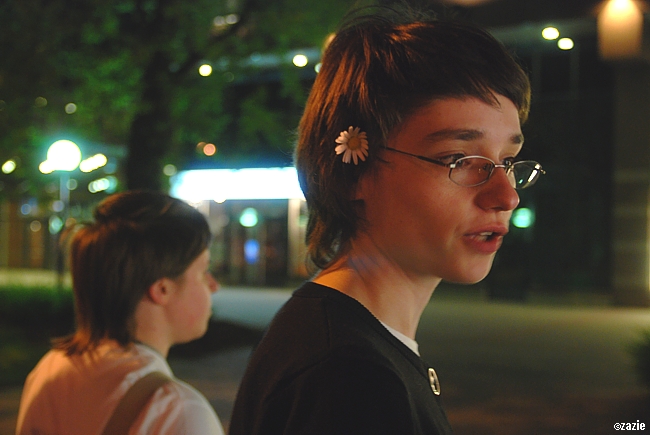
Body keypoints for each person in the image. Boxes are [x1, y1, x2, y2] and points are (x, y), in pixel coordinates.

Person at [229, 7, 544, 435]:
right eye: (458, 159)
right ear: (354, 172)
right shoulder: (349, 379)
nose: (506, 196)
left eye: (507, 160)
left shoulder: (342, 340)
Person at [16, 190, 225, 435]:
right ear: (162, 289)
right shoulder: (178, 412)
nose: (214, 286)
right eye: (203, 271)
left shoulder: (51, 369)